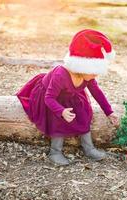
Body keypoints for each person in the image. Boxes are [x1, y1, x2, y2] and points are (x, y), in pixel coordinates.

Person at [16, 29, 119, 165]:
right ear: (83, 67)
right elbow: (49, 98)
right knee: (57, 118)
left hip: (70, 95)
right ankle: (55, 151)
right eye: (94, 72)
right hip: (50, 97)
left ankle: (88, 148)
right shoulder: (61, 74)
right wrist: (61, 111)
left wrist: (109, 111)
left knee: (84, 112)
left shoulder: (87, 75)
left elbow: (97, 92)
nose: (96, 75)